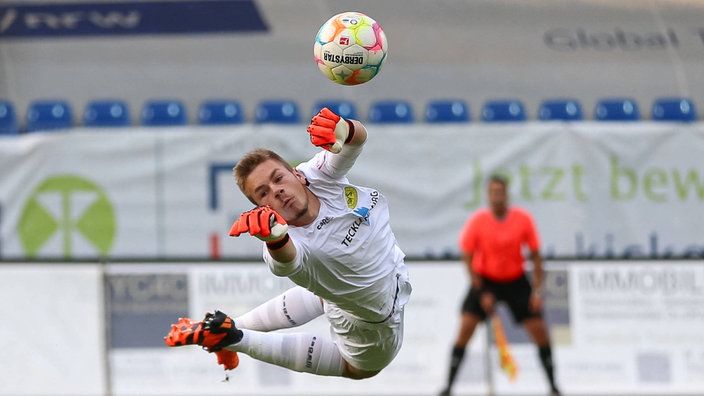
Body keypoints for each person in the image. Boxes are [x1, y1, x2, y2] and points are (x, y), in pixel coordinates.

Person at [165, 107, 411, 380]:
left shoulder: (318, 175)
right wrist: (274, 238)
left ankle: (223, 331)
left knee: (324, 292)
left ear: (297, 174)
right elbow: (287, 260)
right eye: (263, 193)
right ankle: (235, 339)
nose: (277, 191)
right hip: (370, 323)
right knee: (358, 370)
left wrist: (346, 128)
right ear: (260, 208)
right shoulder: (284, 239)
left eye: (278, 178)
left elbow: (356, 141)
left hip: (366, 283)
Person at [439, 175, 560, 396]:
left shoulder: (523, 219)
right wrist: (481, 290)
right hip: (486, 280)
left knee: (540, 332)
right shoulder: (478, 221)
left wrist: (537, 290)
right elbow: (467, 258)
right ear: (488, 195)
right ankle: (448, 387)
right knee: (465, 329)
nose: (496, 196)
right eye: (492, 192)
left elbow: (535, 256)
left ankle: (553, 386)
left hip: (516, 281)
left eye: (500, 192)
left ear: (506, 194)